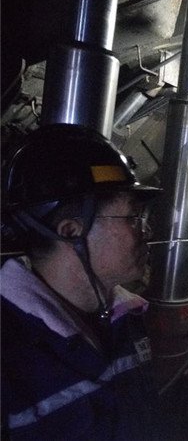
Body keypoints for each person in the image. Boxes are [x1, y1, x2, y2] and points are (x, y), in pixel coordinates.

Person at [1, 124, 162, 440]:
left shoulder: (127, 318)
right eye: (132, 217)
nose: (146, 231)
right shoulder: (10, 353)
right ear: (71, 231)